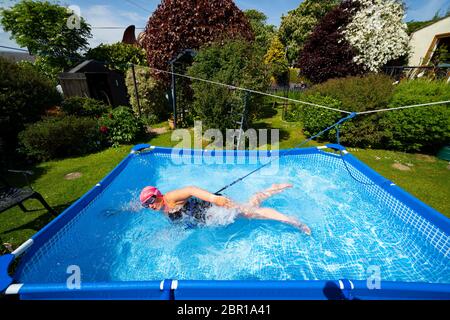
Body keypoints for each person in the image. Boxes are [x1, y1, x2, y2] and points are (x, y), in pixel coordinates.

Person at [139, 184, 311, 235]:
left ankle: (294, 222)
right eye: (146, 205)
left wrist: (216, 199)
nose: (150, 205)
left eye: (151, 201)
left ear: (158, 194)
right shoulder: (161, 208)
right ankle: (270, 190)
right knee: (250, 207)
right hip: (210, 216)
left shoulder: (170, 197)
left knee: (252, 213)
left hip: (215, 206)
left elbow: (191, 190)